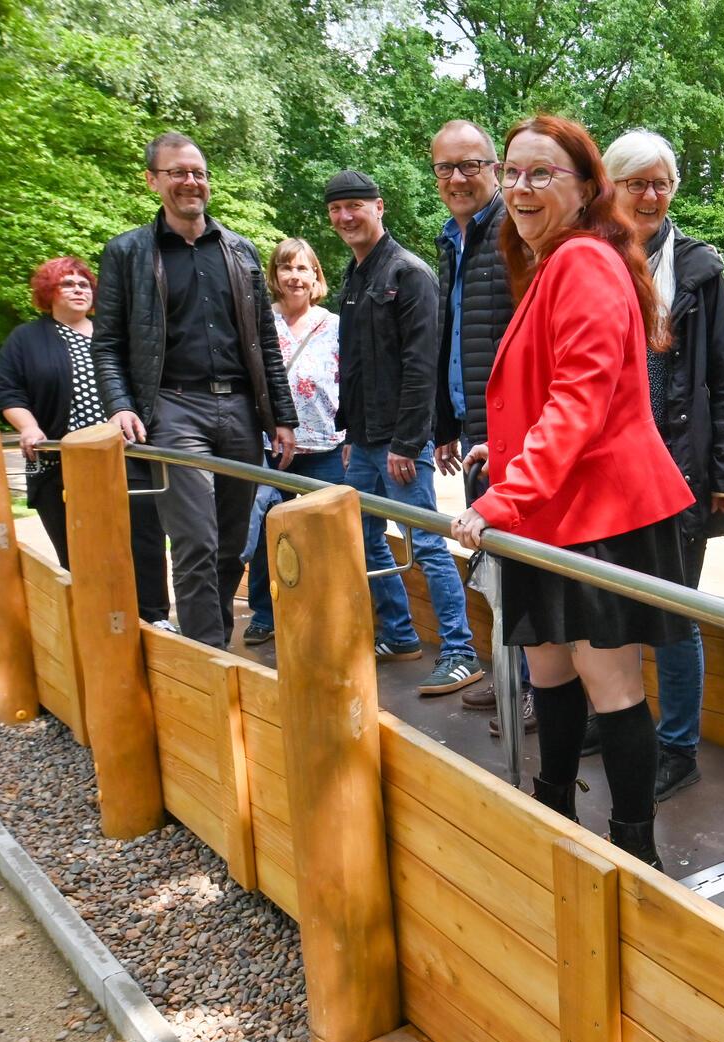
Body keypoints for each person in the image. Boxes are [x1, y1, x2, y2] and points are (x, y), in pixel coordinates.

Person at [450, 115, 693, 869]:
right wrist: (510, 447)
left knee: (609, 679)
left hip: (600, 511)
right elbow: (553, 390)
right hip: (553, 506)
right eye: (512, 173)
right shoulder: (553, 260)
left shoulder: (584, 259)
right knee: (548, 667)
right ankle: (552, 808)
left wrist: (499, 498)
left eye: (541, 173)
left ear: (586, 187)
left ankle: (634, 850)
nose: (520, 188)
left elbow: (582, 401)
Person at [92, 132, 299, 649]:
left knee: (234, 543)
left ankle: (209, 639)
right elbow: (109, 342)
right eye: (178, 172)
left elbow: (265, 343)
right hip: (172, 408)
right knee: (195, 540)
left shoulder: (240, 251)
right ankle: (208, 657)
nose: (191, 182)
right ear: (153, 180)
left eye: (198, 173)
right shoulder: (127, 253)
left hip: (238, 409)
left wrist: (282, 415)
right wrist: (119, 405)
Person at [602, 130, 724, 801]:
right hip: (606, 471)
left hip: (676, 471)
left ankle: (678, 746)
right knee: (608, 604)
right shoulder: (590, 260)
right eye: (638, 183)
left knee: (674, 614)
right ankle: (615, 722)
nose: (652, 195)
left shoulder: (697, 267)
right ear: (613, 188)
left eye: (662, 183)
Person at [326, 170, 485, 697]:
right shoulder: (355, 274)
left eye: (355, 206)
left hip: (398, 444)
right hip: (364, 441)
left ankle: (461, 652)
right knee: (369, 541)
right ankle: (399, 635)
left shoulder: (408, 273)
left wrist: (406, 442)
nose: (346, 217)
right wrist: (348, 431)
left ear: (379, 207)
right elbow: (352, 363)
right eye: (336, 210)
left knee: (428, 545)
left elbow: (423, 365)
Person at [0, 257, 170, 626]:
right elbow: (8, 392)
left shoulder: (114, 335)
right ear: (48, 293)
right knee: (79, 546)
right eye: (67, 283)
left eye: (84, 284)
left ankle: (154, 618)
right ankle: (95, 620)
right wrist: (28, 427)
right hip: (60, 463)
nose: (78, 289)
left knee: (143, 538)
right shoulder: (26, 339)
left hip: (126, 455)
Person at [427, 119, 530, 721]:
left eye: (471, 165)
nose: (459, 178)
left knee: (521, 561)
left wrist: (506, 430)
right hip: (474, 432)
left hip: (509, 435)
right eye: (446, 168)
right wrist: (445, 421)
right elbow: (454, 335)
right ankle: (510, 671)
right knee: (488, 558)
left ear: (494, 168)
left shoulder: (513, 231)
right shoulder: (453, 238)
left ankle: (536, 688)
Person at [242, 238, 346, 646]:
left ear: (315, 276)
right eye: (287, 268)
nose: (295, 277)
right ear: (275, 275)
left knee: (324, 536)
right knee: (269, 534)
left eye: (303, 269)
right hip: (270, 447)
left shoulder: (335, 325)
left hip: (325, 444)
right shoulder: (260, 323)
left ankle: (325, 610)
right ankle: (265, 614)